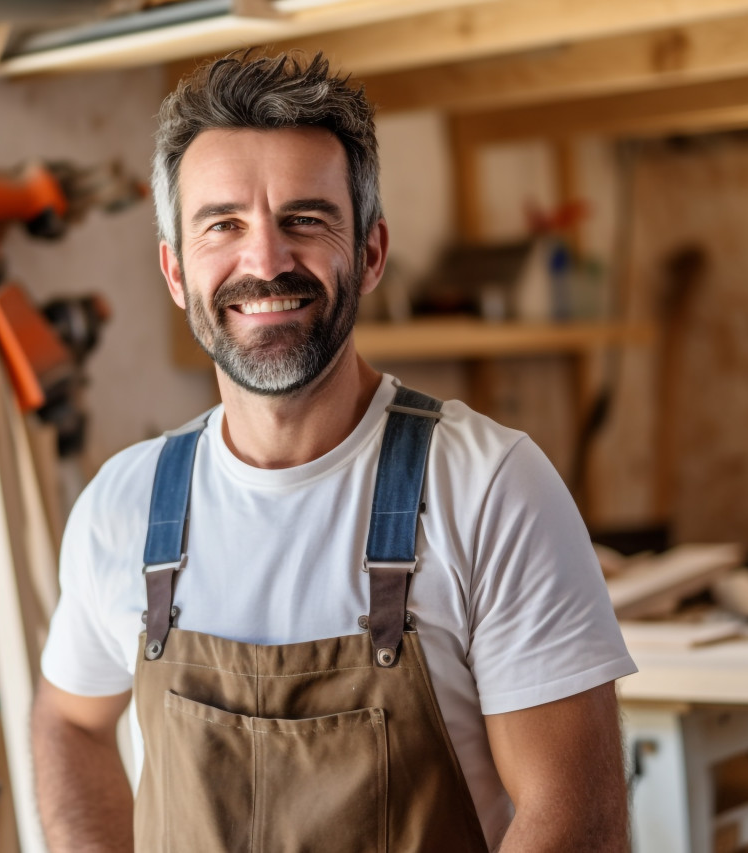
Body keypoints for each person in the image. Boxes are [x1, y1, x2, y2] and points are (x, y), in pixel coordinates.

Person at [31, 51, 637, 852]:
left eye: (305, 220)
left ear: (372, 252)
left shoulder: (488, 487)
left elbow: (577, 821)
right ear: (176, 270)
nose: (266, 261)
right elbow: (69, 722)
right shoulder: (125, 505)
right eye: (224, 225)